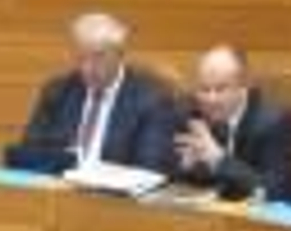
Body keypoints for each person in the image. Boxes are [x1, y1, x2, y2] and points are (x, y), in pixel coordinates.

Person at [9, 12, 175, 173]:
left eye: (98, 57)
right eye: (80, 58)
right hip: (60, 185)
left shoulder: (151, 100)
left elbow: (149, 167)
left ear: (120, 55)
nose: (87, 68)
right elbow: (29, 151)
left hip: (112, 190)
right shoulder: (58, 91)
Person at [172, 45, 291, 204]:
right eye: (204, 89)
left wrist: (218, 160)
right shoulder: (194, 117)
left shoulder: (273, 124)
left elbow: (275, 192)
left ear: (243, 86)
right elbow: (186, 183)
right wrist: (185, 168)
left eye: (221, 89)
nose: (211, 100)